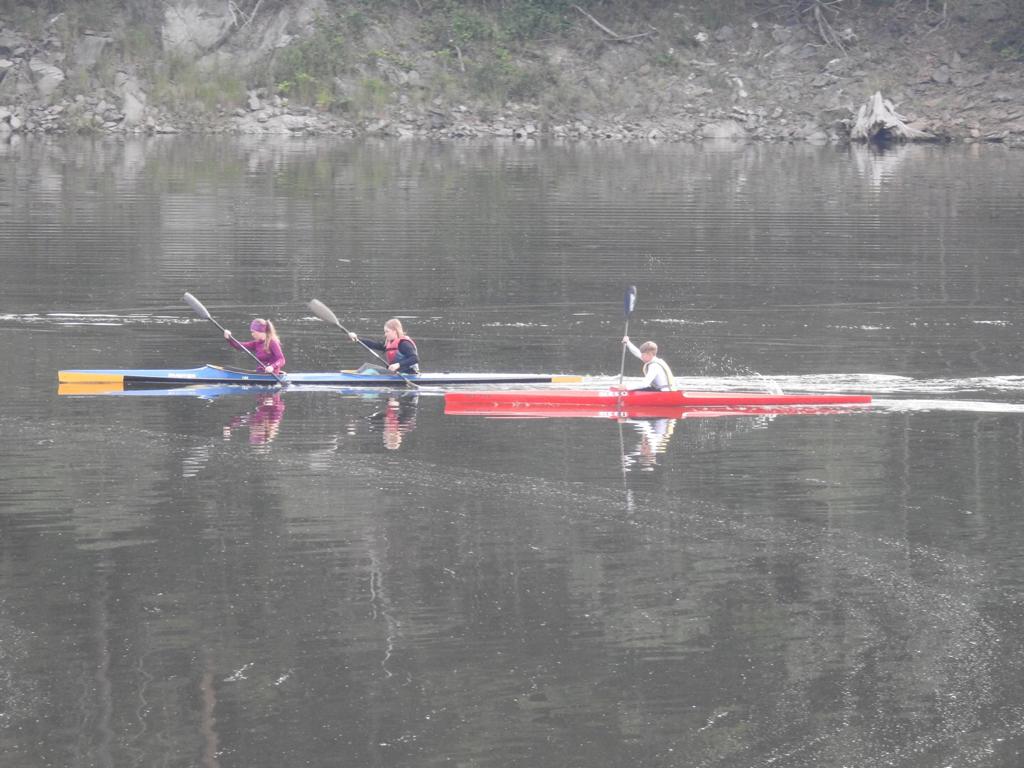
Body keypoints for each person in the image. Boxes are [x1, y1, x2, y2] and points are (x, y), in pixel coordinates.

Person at [348, 318, 420, 374]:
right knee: (366, 367)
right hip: (395, 373)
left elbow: (415, 358)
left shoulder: (404, 344)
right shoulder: (389, 343)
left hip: (408, 374)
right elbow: (374, 345)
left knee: (370, 370)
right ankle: (356, 375)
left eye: (387, 331)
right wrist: (357, 339)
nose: (385, 334)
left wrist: (398, 365)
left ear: (395, 331)